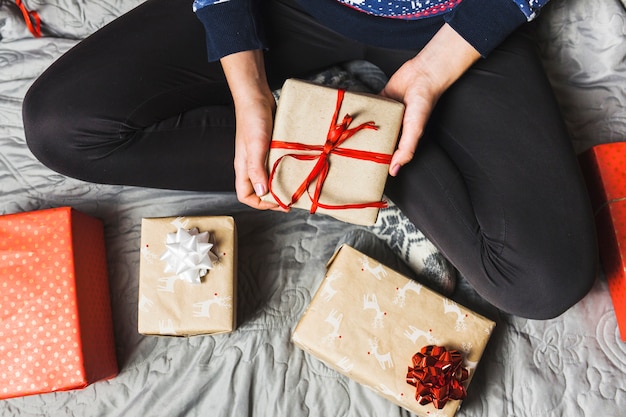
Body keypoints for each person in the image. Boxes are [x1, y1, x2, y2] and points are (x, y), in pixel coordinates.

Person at [22, 0, 597, 319]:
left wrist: (430, 73)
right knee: (61, 127)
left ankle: (356, 152)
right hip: (285, 7)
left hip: (458, 23)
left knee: (543, 285)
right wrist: (248, 92)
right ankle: (344, 148)